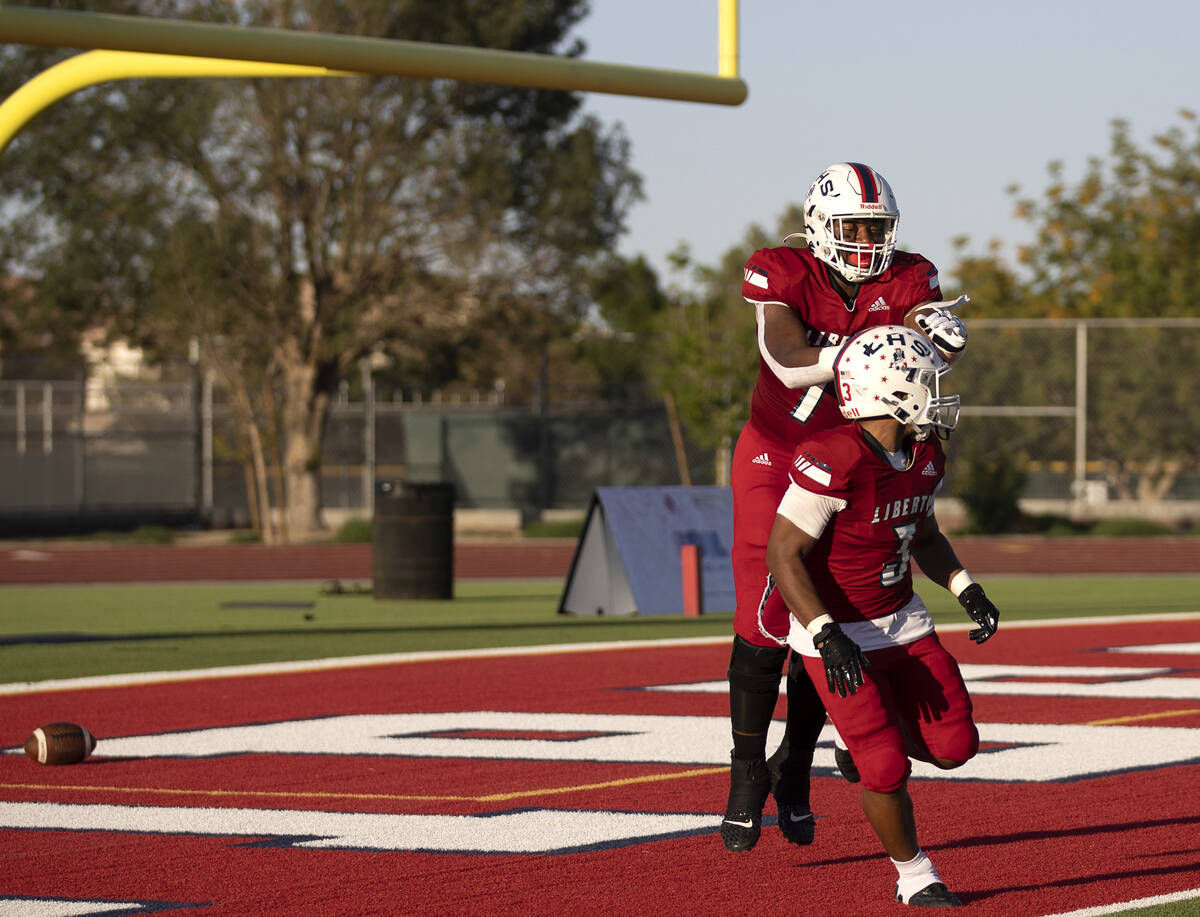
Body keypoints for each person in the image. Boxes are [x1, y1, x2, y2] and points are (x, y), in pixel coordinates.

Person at [722, 161, 970, 853]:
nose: (865, 241)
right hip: (778, 451)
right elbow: (786, 356)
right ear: (818, 226)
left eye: (876, 228)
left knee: (832, 608)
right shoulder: (782, 271)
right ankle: (747, 768)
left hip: (855, 457)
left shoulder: (909, 275)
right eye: (852, 227)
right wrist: (879, 345)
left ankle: (794, 764)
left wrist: (937, 331)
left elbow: (927, 321)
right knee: (765, 609)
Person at [764, 324, 1000, 907]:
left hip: (903, 619)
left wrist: (965, 587)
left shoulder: (923, 452)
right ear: (892, 389)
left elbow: (924, 532)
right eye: (925, 379)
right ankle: (915, 874)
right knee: (885, 766)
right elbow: (783, 554)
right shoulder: (832, 458)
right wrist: (825, 635)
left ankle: (862, 740)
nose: (935, 390)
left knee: (955, 746)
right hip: (835, 628)